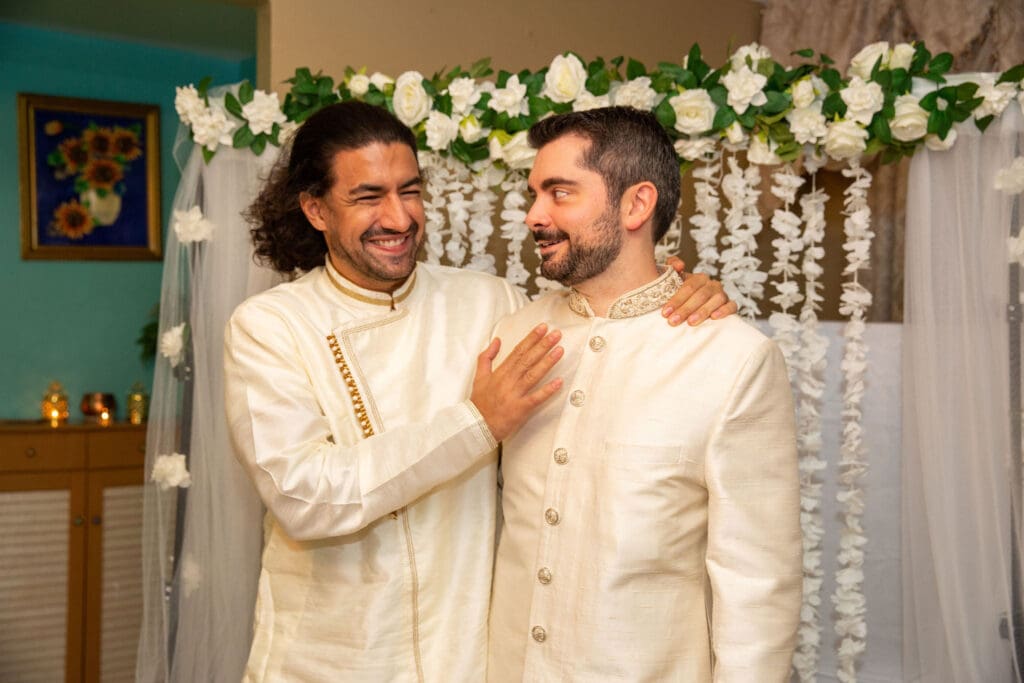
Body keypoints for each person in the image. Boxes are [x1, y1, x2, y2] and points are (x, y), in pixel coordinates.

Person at [222, 101, 734, 681]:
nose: (399, 217)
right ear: (315, 209)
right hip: (332, 657)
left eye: (410, 191)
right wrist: (475, 423)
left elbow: (596, 321)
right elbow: (306, 498)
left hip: (466, 655)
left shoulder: (490, 304)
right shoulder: (269, 326)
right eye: (368, 197)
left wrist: (672, 291)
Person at [486, 107, 802, 682]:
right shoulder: (513, 336)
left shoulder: (731, 359)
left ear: (636, 204)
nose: (534, 216)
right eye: (533, 194)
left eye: (560, 193)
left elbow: (757, 581)